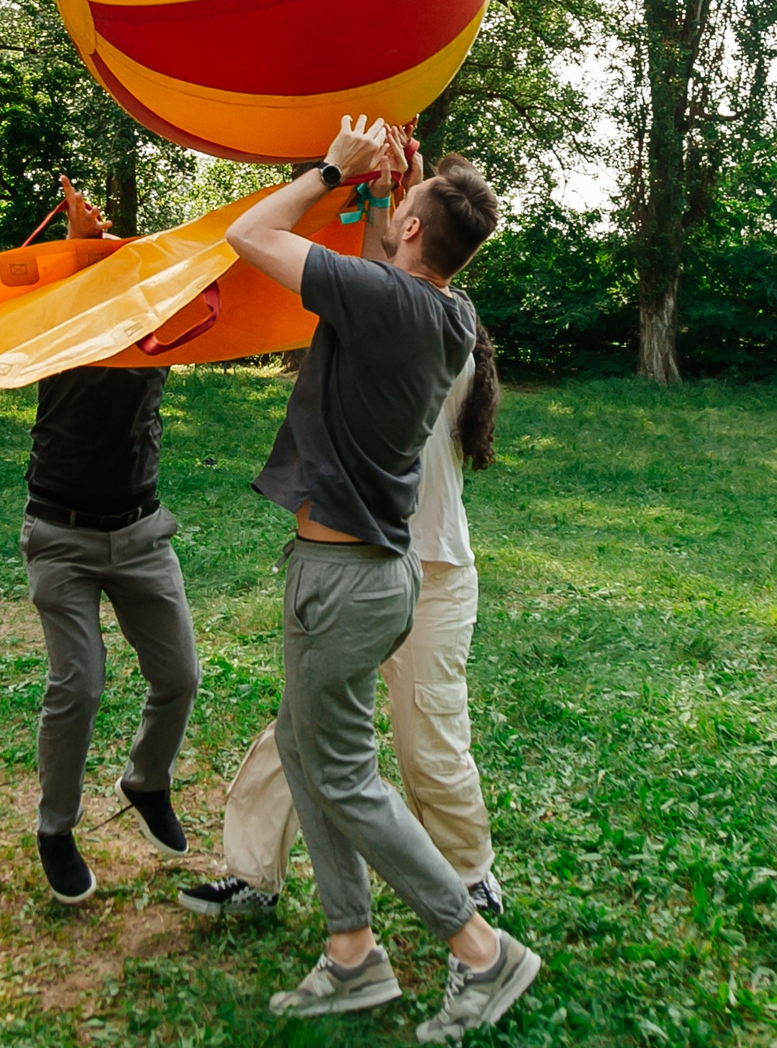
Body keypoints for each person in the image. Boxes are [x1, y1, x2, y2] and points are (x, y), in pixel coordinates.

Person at [224, 116, 540, 1043]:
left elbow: (252, 238)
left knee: (345, 775)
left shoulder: (393, 303)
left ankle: (480, 950)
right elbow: (377, 270)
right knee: (310, 747)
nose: (391, 213)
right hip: (367, 569)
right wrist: (381, 194)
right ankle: (353, 950)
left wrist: (332, 168)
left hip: (345, 576)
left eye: (400, 209)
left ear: (413, 234)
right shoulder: (447, 313)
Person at [180, 316, 506, 925]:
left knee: (430, 738)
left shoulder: (433, 338)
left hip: (433, 577)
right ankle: (252, 876)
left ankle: (469, 874)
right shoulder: (362, 333)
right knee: (300, 731)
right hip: (354, 570)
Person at [18, 176, 200, 904]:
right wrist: (78, 241)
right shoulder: (61, 340)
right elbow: (59, 294)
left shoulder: (159, 340)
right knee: (79, 684)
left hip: (142, 534)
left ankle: (146, 780)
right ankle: (55, 829)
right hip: (59, 535)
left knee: (179, 676)